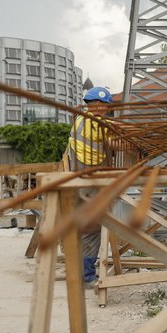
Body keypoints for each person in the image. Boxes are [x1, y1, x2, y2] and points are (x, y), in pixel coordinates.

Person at [66, 86, 115, 289]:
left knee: (82, 225)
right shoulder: (97, 123)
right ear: (95, 105)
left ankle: (78, 271)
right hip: (91, 177)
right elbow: (117, 143)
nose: (106, 110)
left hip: (79, 176)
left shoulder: (79, 119)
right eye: (105, 106)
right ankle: (86, 276)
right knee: (91, 226)